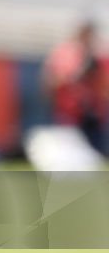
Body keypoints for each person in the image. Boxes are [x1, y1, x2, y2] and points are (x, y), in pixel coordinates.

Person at [43, 20, 109, 153]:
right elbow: (51, 81)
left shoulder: (99, 56)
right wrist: (76, 75)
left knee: (95, 150)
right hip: (69, 111)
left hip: (93, 111)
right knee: (71, 149)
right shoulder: (64, 54)